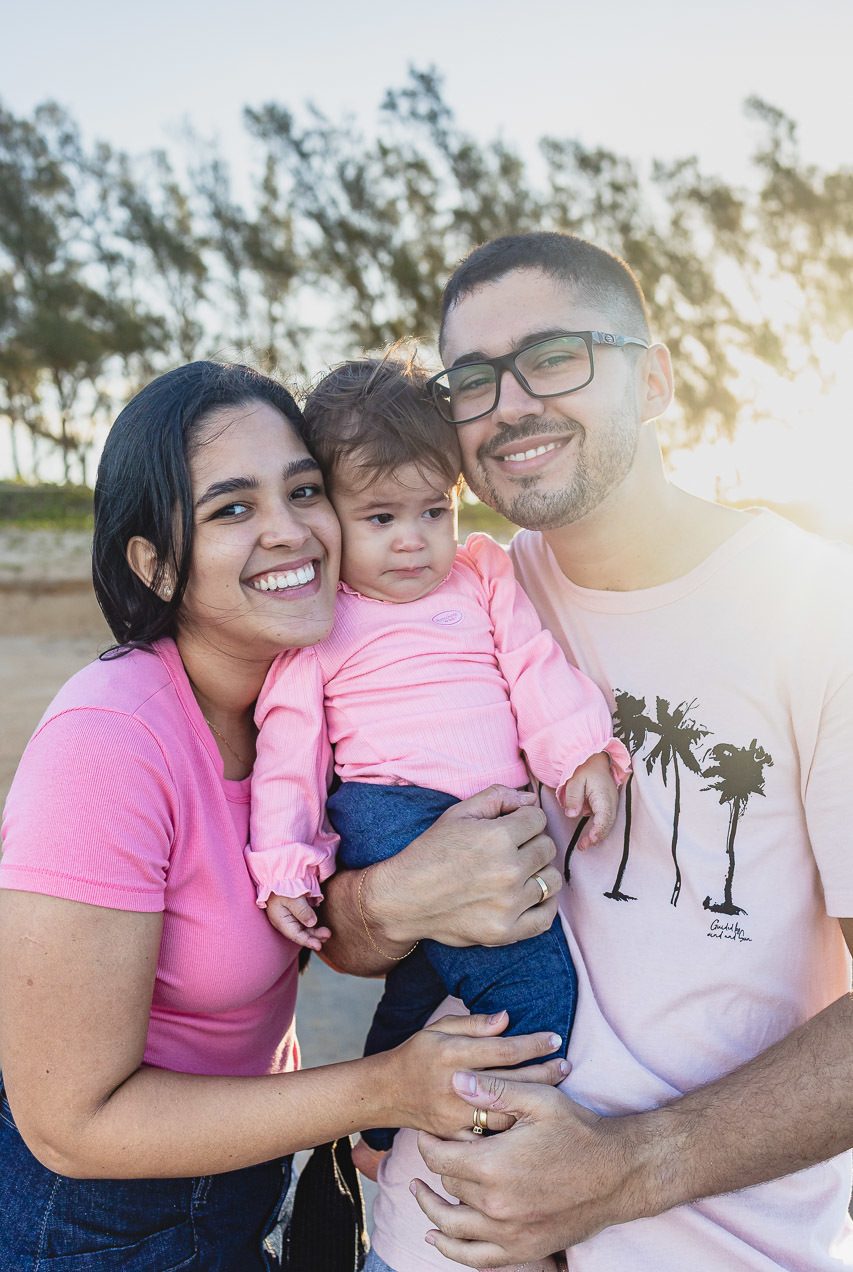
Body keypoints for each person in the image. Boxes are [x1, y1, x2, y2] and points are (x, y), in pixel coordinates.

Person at [0, 360, 569, 1272]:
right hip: (91, 1233)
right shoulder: (109, 740)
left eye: (303, 490)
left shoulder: (327, 703)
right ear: (153, 562)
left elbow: (335, 931)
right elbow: (70, 1125)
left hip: (237, 1192)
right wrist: (384, 1089)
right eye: (232, 508)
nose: (289, 531)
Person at [360, 232, 853, 1272]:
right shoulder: (452, 594)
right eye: (473, 379)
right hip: (437, 1236)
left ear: (658, 377)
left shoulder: (820, 612)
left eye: (553, 357)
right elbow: (342, 931)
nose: (507, 404)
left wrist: (627, 1167)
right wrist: (386, 899)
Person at [244, 355, 630, 1204]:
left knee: (423, 983)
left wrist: (578, 754)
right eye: (380, 517)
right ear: (331, 518)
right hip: (388, 811)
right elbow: (289, 751)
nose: (413, 538)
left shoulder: (482, 575)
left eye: (433, 510)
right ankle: (511, 1148)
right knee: (532, 982)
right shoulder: (322, 619)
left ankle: (379, 1138)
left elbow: (531, 665)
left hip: (494, 807)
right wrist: (284, 863)